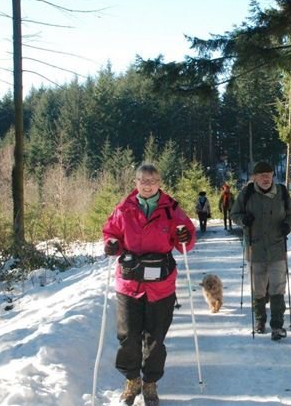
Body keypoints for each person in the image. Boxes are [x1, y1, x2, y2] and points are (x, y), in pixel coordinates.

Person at [102, 163, 196, 406]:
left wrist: (185, 236)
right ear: (136, 182)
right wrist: (112, 243)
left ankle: (150, 383)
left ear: (159, 183)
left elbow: (185, 237)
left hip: (161, 285)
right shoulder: (124, 208)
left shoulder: (171, 208)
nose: (147, 185)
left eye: (152, 181)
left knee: (155, 339)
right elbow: (110, 232)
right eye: (143, 180)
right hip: (129, 283)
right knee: (128, 337)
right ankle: (132, 380)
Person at [230, 161, 291, 341]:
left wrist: (288, 225)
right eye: (262, 175)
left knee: (278, 287)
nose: (266, 178)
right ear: (254, 178)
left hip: (277, 248)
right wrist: (244, 220)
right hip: (255, 248)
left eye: (269, 174)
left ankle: (277, 325)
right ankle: (260, 320)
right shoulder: (247, 193)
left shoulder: (282, 193)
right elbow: (234, 215)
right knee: (258, 288)